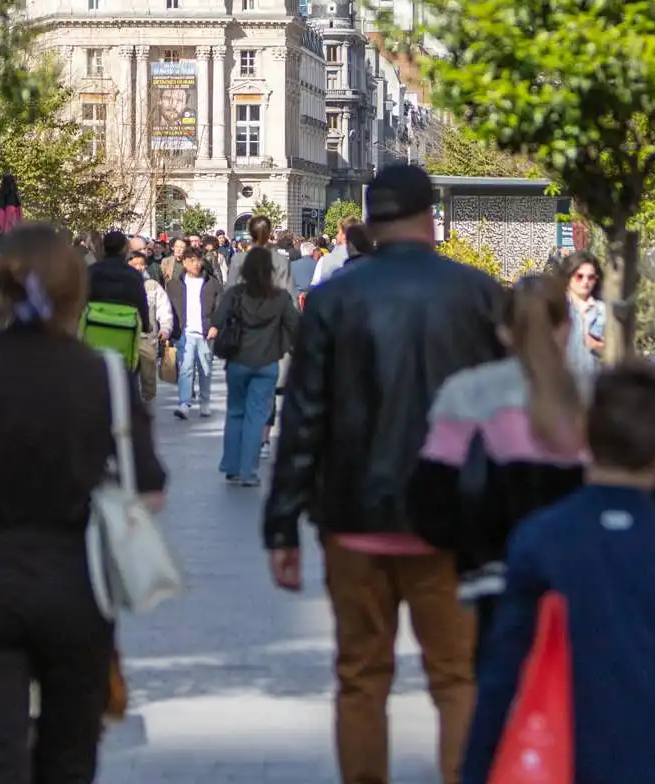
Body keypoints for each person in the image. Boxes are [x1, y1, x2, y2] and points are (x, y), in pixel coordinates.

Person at [264, 163, 507, 784]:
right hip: (449, 521)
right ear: (433, 217)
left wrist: (282, 525)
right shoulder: (477, 294)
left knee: (361, 678)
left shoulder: (335, 297)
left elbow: (305, 412)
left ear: (368, 222)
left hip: (353, 517)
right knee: (457, 678)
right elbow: (503, 416)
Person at [0, 223, 166, 784]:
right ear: (76, 288)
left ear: (1, 284)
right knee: (70, 755)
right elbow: (150, 487)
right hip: (74, 587)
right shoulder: (100, 376)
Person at [461, 362, 655, 784]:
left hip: (565, 753)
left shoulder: (540, 540)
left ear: (587, 434)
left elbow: (502, 672)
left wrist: (477, 768)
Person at [408, 272, 588, 655]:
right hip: (584, 580)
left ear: (504, 330)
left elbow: (431, 498)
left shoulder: (466, 394)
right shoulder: (598, 397)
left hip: (493, 578)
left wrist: (466, 549)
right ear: (566, 326)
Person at [213, 241, 298, 486]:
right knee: (256, 416)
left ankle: (231, 465)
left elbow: (218, 318)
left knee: (236, 412)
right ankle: (248, 471)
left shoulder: (234, 295)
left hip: (238, 360)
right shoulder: (280, 297)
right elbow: (296, 326)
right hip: (267, 362)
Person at [170, 247, 220, 420]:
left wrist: (215, 325)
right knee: (185, 369)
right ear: (183, 262)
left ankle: (205, 402)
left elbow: (219, 307)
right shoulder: (175, 284)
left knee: (205, 370)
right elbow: (170, 309)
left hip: (206, 333)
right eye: (191, 260)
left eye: (198, 260)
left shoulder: (211, 283)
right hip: (185, 332)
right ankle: (184, 403)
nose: (196, 264)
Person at [129, 241, 175, 407]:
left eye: (142, 264)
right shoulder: (123, 286)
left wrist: (165, 328)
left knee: (148, 376)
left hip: (148, 337)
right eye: (135, 264)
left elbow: (164, 308)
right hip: (127, 336)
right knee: (128, 374)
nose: (140, 267)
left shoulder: (152, 286)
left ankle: (147, 404)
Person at [552, 250, 606, 391]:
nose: (585, 282)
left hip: (594, 387)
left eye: (591, 277)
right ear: (568, 276)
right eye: (579, 276)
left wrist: (600, 347)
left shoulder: (603, 311)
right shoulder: (556, 308)